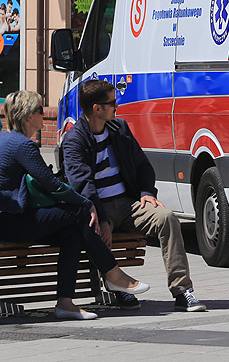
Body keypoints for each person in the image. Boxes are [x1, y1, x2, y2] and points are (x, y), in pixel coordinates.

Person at [0, 90, 149, 321]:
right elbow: (51, 185)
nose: (44, 114)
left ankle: (66, 303)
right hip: (12, 222)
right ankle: (112, 273)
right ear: (29, 116)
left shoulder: (6, 138)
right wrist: (87, 203)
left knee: (73, 232)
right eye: (41, 110)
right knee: (79, 213)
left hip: (11, 220)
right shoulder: (22, 146)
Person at [62, 79, 206, 312]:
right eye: (112, 103)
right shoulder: (74, 140)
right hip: (99, 207)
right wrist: (103, 218)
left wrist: (147, 192)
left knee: (167, 217)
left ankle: (182, 291)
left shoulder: (119, 129)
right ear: (97, 108)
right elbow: (82, 184)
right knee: (95, 228)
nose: (117, 106)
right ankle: (120, 290)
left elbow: (143, 166)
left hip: (128, 204)